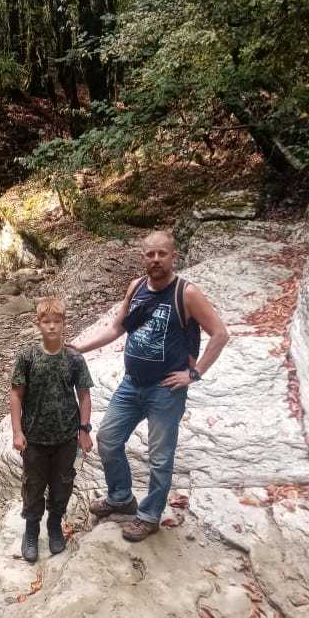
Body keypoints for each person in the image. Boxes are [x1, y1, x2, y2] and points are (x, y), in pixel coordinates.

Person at [70, 231, 229, 542]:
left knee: (160, 456)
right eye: (150, 254)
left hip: (165, 390)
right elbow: (118, 327)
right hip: (131, 384)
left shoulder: (186, 293)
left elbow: (220, 334)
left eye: (162, 254)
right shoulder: (137, 287)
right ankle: (120, 498)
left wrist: (193, 375)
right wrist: (78, 347)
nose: (156, 259)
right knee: (108, 438)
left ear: (173, 257)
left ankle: (149, 515)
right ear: (143, 257)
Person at [10, 297, 94, 563]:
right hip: (34, 437)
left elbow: (84, 396)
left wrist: (84, 430)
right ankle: (32, 529)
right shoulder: (27, 356)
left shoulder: (74, 358)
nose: (52, 327)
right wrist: (17, 431)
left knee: (62, 484)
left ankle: (55, 524)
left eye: (57, 322)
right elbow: (16, 395)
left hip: (66, 437)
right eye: (46, 322)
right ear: (38, 324)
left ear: (64, 323)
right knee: (33, 486)